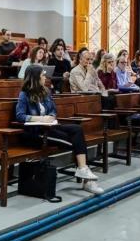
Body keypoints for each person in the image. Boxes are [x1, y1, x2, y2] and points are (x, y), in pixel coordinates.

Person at [16, 64, 103, 195]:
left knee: (77, 129)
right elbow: (20, 116)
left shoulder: (45, 91)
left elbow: (53, 110)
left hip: (51, 127)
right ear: (35, 78)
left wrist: (51, 116)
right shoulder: (24, 95)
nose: (45, 77)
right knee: (76, 140)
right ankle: (87, 180)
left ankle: (83, 169)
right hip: (38, 133)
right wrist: (40, 119)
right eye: (42, 75)